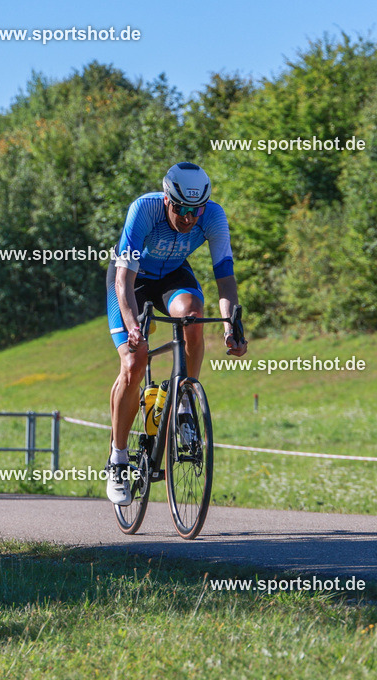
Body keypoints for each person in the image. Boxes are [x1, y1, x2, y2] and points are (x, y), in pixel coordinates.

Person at [106, 162, 247, 505]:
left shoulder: (213, 216)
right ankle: (118, 459)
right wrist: (132, 324)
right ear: (167, 199)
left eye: (195, 210)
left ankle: (184, 400)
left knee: (193, 318)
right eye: (181, 209)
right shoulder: (144, 209)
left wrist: (231, 324)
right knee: (134, 361)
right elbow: (124, 280)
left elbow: (225, 278)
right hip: (131, 280)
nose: (188, 218)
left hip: (172, 275)